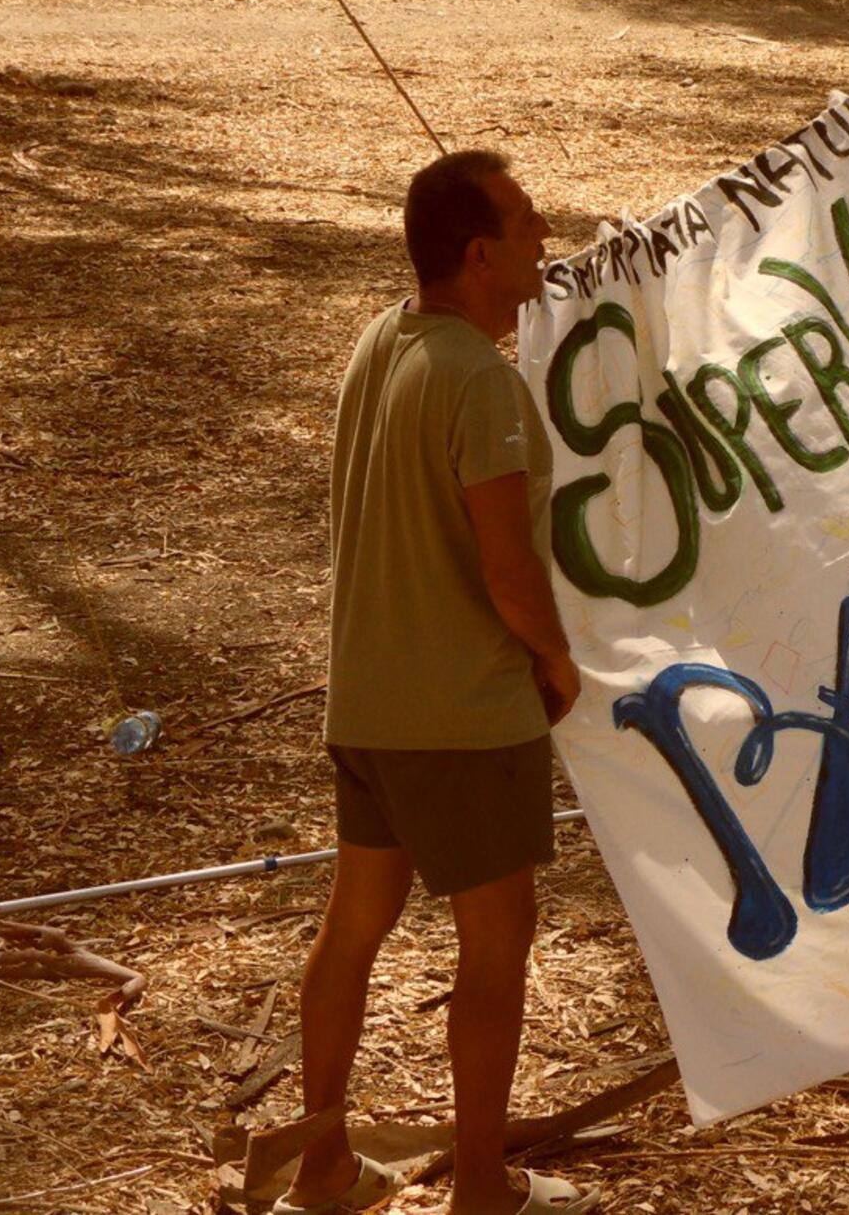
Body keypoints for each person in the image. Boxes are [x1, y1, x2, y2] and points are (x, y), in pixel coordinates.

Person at [276, 151, 598, 1215]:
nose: (543, 236)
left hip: (368, 704)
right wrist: (555, 663)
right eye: (525, 221)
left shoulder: (381, 342)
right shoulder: (482, 381)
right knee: (496, 950)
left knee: (350, 930)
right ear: (478, 253)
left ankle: (321, 1169)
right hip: (464, 718)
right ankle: (480, 1189)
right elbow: (508, 572)